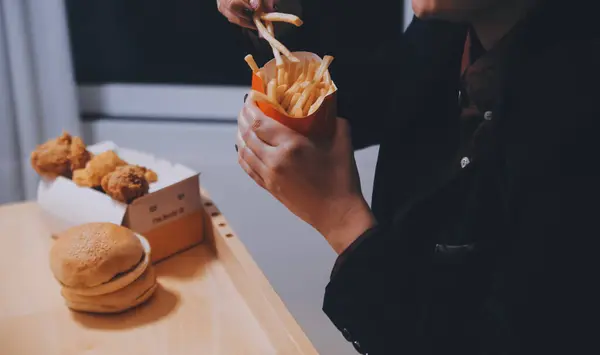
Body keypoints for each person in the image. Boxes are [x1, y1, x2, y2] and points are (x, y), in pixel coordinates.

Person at [221, 0, 600, 354]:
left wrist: (342, 219)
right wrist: (276, 21)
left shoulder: (577, 110)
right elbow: (376, 94)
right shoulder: (449, 28)